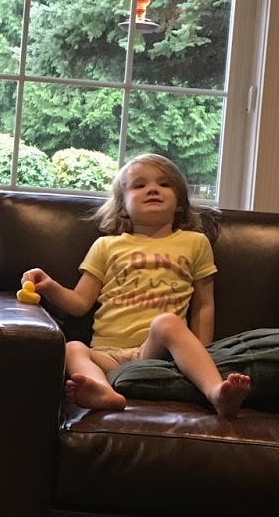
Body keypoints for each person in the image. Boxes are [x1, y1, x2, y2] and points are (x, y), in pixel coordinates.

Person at [24, 152, 251, 417]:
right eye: (139, 185)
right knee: (72, 348)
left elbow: (204, 304)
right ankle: (103, 391)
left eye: (164, 184)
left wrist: (202, 351)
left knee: (167, 322)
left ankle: (216, 392)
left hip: (156, 353)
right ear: (123, 205)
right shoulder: (106, 246)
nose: (152, 189)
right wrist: (49, 286)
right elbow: (79, 303)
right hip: (107, 354)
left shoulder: (195, 242)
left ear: (179, 202)